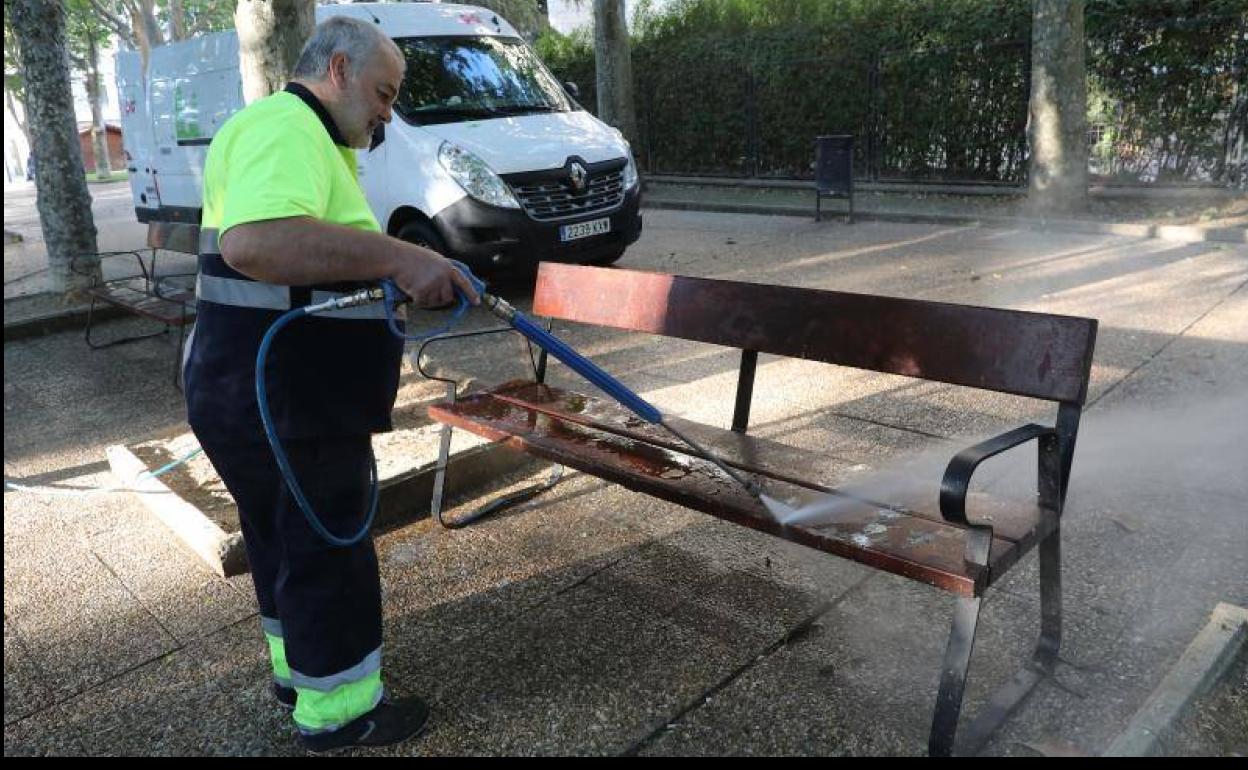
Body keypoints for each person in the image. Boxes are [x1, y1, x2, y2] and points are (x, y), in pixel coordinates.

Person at [183, 16, 478, 752]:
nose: (386, 112)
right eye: (383, 93)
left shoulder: (281, 132)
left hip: (249, 388)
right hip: (289, 398)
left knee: (281, 542)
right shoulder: (290, 129)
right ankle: (343, 713)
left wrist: (391, 269)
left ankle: (299, 678)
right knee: (325, 553)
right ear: (339, 70)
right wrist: (400, 261)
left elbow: (305, 262)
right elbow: (257, 242)